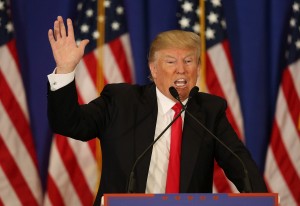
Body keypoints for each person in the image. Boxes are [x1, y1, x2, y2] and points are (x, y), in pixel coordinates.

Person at [47, 16, 268, 205]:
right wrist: (65, 71)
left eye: (189, 61)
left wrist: (262, 200)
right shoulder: (121, 101)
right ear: (153, 69)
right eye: (171, 61)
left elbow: (241, 165)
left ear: (198, 69)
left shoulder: (209, 111)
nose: (181, 69)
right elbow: (68, 123)